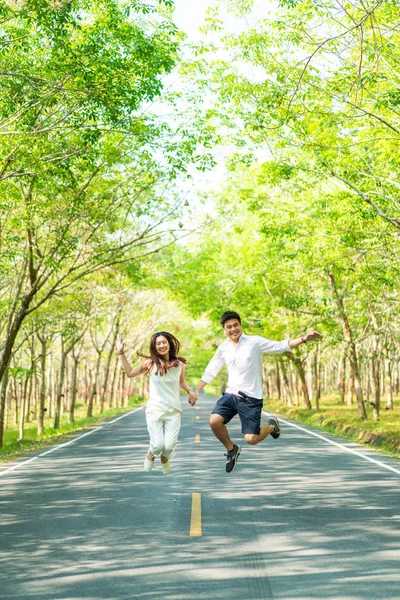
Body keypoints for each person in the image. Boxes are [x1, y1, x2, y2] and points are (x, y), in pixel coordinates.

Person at [193, 311, 322, 473]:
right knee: (214, 421)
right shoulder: (223, 348)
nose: (233, 329)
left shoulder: (254, 342)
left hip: (251, 397)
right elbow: (212, 369)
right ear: (224, 330)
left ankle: (271, 426)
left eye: (235, 325)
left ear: (240, 325)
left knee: (251, 439)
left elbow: (279, 346)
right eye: (229, 327)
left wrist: (303, 339)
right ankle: (231, 450)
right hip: (231, 394)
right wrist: (197, 390)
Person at [116, 331, 196, 475]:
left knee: (169, 446)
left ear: (169, 345)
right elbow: (129, 373)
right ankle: (150, 454)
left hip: (173, 411)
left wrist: (190, 391)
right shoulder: (150, 363)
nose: (161, 345)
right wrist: (121, 353)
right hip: (155, 410)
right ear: (154, 347)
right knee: (158, 445)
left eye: (164, 342)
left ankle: (165, 458)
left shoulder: (179, 364)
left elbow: (181, 380)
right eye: (158, 343)